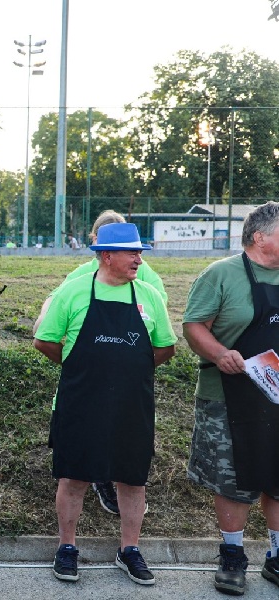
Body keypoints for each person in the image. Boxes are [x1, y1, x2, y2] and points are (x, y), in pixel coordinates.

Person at [34, 222, 176, 586]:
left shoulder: (149, 296)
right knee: (74, 476)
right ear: (106, 255)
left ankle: (130, 550)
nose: (139, 259)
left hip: (132, 406)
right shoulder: (73, 292)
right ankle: (67, 547)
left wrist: (128, 371)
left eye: (140, 252)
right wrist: (81, 367)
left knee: (132, 479)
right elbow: (45, 340)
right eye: (132, 253)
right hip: (80, 403)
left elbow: (165, 348)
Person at [183, 201, 279, 596]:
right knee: (233, 480)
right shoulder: (221, 275)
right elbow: (193, 326)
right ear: (261, 237)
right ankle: (232, 556)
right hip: (228, 395)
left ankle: (277, 557)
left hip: (277, 396)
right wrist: (220, 354)